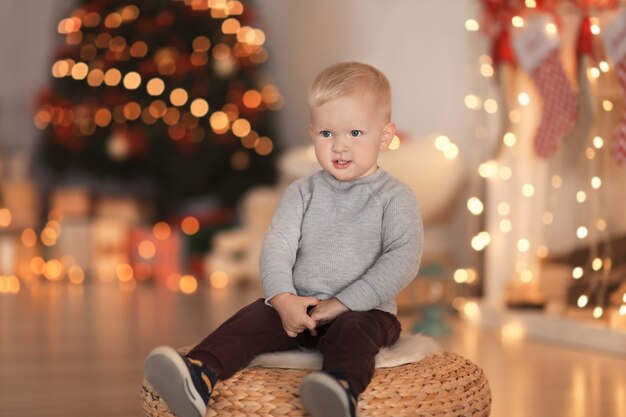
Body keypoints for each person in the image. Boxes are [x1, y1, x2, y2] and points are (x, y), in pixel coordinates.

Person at [144, 61, 423, 417]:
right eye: (327, 134)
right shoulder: (301, 193)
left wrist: (342, 303)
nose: (339, 147)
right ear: (312, 133)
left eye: (354, 133)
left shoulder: (395, 197)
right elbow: (277, 247)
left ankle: (339, 390)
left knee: (355, 332)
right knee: (253, 317)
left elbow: (402, 260)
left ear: (385, 135)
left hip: (365, 312)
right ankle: (199, 374)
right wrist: (283, 299)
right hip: (301, 310)